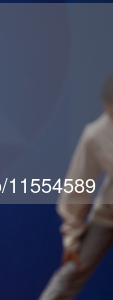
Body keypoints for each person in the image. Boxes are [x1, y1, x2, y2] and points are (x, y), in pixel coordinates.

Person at [39, 73, 113, 300]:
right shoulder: (96, 135)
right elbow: (77, 187)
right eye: (108, 105)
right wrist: (72, 238)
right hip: (107, 214)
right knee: (72, 272)